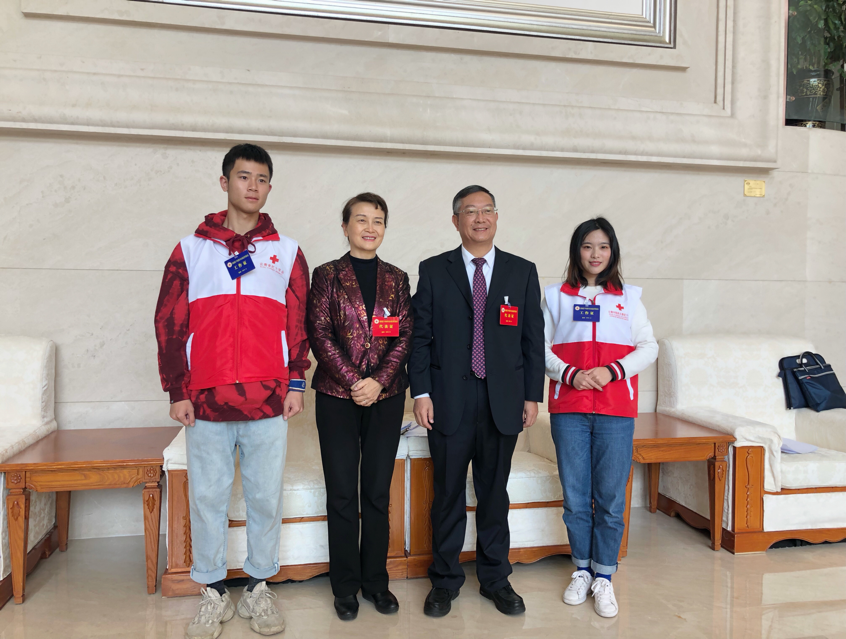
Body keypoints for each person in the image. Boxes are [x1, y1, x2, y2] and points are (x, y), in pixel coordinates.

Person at [155, 144, 310, 639]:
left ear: (269, 187)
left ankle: (260, 587)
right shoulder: (190, 249)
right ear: (225, 182)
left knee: (265, 497)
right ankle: (213, 592)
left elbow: (298, 323)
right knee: (208, 499)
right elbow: (169, 323)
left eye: (261, 179)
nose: (252, 186)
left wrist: (296, 381)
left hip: (269, 398)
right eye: (243, 177)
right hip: (205, 400)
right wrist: (177, 390)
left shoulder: (287, 252)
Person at [409, 185, 544, 618]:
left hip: (503, 400)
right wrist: (421, 392)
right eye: (470, 211)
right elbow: (420, 338)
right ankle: (444, 580)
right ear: (456, 221)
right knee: (447, 493)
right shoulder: (434, 270)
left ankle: (495, 578)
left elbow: (533, 340)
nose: (480, 218)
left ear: (497, 217)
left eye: (487, 210)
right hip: (449, 400)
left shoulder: (522, 271)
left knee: (494, 494)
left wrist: (532, 396)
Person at [542, 217, 658, 619]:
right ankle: (581, 570)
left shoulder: (630, 298)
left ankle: (604, 575)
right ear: (577, 251)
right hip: (570, 409)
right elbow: (538, 347)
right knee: (576, 498)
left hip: (615, 410)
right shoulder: (555, 297)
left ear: (613, 252)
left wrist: (613, 371)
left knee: (610, 499)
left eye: (603, 246)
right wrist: (570, 374)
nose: (595, 254)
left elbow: (648, 346)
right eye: (588, 246)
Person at [307, 193, 412, 621]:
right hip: (337, 398)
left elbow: (405, 334)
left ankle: (376, 583)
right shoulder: (327, 275)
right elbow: (318, 332)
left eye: (378, 220)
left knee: (376, 492)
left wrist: (379, 381)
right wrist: (354, 382)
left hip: (387, 397)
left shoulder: (397, 278)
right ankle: (345, 586)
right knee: (342, 493)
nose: (371, 227)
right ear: (345, 226)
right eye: (362, 219)